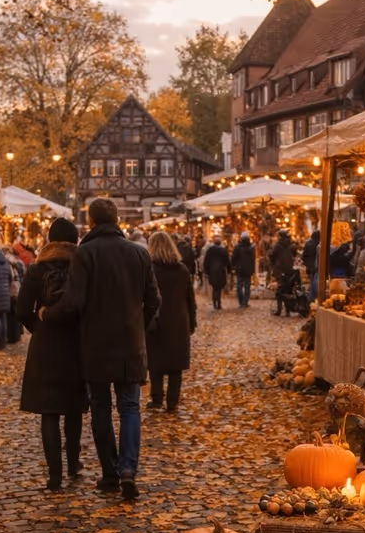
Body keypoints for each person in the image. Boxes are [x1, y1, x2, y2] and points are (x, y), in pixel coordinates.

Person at [43, 198, 159, 501]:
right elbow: (154, 301)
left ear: (91, 222)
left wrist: (47, 315)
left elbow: (74, 302)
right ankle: (128, 470)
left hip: (95, 345)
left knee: (101, 409)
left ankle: (109, 473)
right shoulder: (138, 253)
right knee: (130, 408)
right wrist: (137, 326)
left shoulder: (85, 254)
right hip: (130, 344)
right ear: (117, 219)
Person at [18, 218, 86, 491]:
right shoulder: (81, 267)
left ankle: (54, 476)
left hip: (45, 344)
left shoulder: (37, 270)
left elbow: (22, 308)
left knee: (49, 411)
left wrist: (38, 327)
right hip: (75, 342)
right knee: (73, 409)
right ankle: (72, 464)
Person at [146, 232, 197, 412]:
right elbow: (190, 299)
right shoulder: (182, 270)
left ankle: (157, 398)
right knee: (175, 365)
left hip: (155, 320)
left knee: (155, 362)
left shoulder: (149, 269)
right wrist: (192, 322)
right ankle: (172, 401)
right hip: (178, 320)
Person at [269, 230, 297, 315]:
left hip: (280, 270)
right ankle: (287, 311)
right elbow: (294, 254)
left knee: (279, 290)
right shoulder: (291, 245)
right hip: (289, 269)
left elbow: (273, 256)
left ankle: (279, 310)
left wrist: (273, 264)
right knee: (288, 289)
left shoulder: (277, 245)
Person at [203, 235, 232, 309]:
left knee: (214, 287)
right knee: (219, 287)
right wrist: (229, 270)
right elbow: (227, 262)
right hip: (220, 271)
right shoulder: (223, 250)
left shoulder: (210, 250)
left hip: (212, 271)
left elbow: (206, 261)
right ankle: (218, 302)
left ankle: (215, 302)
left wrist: (206, 271)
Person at [231, 232, 256, 308]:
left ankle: (241, 301)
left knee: (239, 286)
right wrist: (252, 269)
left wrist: (233, 267)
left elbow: (233, 258)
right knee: (247, 287)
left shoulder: (237, 247)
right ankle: (245, 302)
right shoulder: (251, 248)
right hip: (248, 270)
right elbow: (253, 259)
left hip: (239, 269)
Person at [302, 229, 320, 301]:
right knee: (316, 281)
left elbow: (304, 256)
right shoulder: (319, 244)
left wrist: (306, 263)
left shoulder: (307, 243)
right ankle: (314, 297)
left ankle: (311, 298)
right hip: (317, 265)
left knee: (312, 280)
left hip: (309, 266)